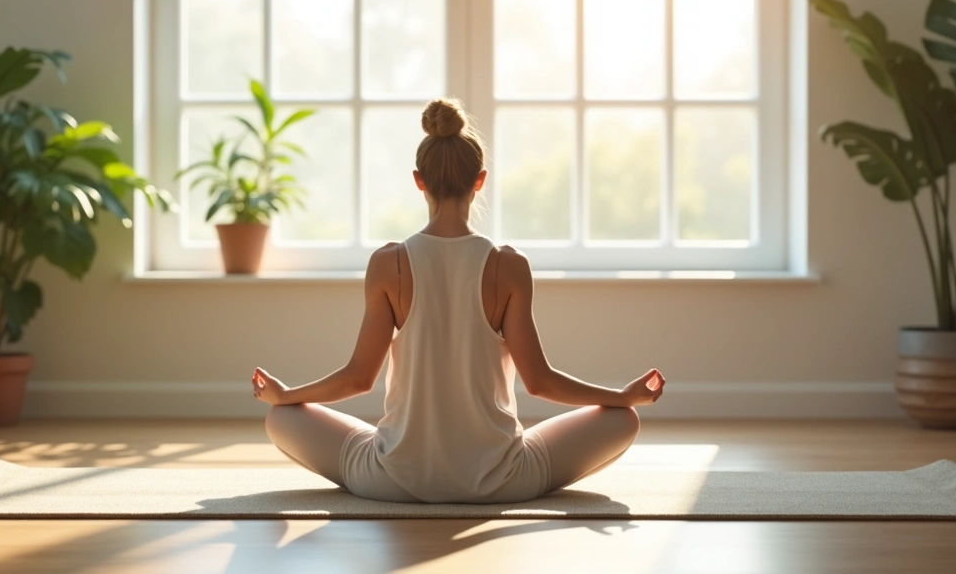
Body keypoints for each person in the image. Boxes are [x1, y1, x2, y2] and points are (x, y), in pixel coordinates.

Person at [252, 98, 664, 504]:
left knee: (281, 418)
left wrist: (285, 395)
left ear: (419, 180)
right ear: (479, 180)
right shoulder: (509, 265)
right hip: (502, 479)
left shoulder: (387, 263)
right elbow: (540, 382)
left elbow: (359, 378)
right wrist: (622, 397)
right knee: (622, 420)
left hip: (392, 478)